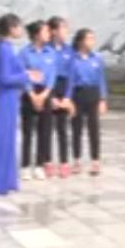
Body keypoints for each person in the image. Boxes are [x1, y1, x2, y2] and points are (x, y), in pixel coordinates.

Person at [0, 14, 39, 196]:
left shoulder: (5, 47)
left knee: (7, 139)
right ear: (11, 28)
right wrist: (26, 75)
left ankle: (4, 180)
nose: (21, 30)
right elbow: (5, 78)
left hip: (10, 97)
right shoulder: (4, 49)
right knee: (0, 139)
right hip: (5, 97)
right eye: (19, 27)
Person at [18, 21, 57, 181]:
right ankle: (25, 165)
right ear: (36, 35)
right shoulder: (24, 53)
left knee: (44, 131)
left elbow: (52, 75)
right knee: (28, 131)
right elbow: (22, 74)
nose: (49, 33)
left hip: (45, 93)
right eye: (45, 31)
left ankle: (40, 165)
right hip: (29, 93)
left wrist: (44, 94)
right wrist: (32, 94)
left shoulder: (51, 53)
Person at [66, 28, 109, 176]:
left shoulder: (96, 58)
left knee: (94, 128)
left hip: (93, 94)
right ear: (80, 41)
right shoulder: (73, 60)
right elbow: (70, 81)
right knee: (76, 129)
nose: (92, 41)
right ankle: (77, 161)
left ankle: (95, 162)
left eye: (93, 38)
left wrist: (103, 99)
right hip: (78, 95)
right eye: (89, 38)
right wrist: (68, 99)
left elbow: (101, 80)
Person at [47, 17, 75, 178]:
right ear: (53, 31)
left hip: (63, 88)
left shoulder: (69, 51)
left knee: (62, 129)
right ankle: (47, 161)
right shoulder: (46, 49)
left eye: (66, 28)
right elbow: (44, 74)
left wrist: (67, 97)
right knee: (46, 128)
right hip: (49, 88)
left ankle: (64, 162)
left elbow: (71, 76)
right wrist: (50, 97)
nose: (65, 31)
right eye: (63, 28)